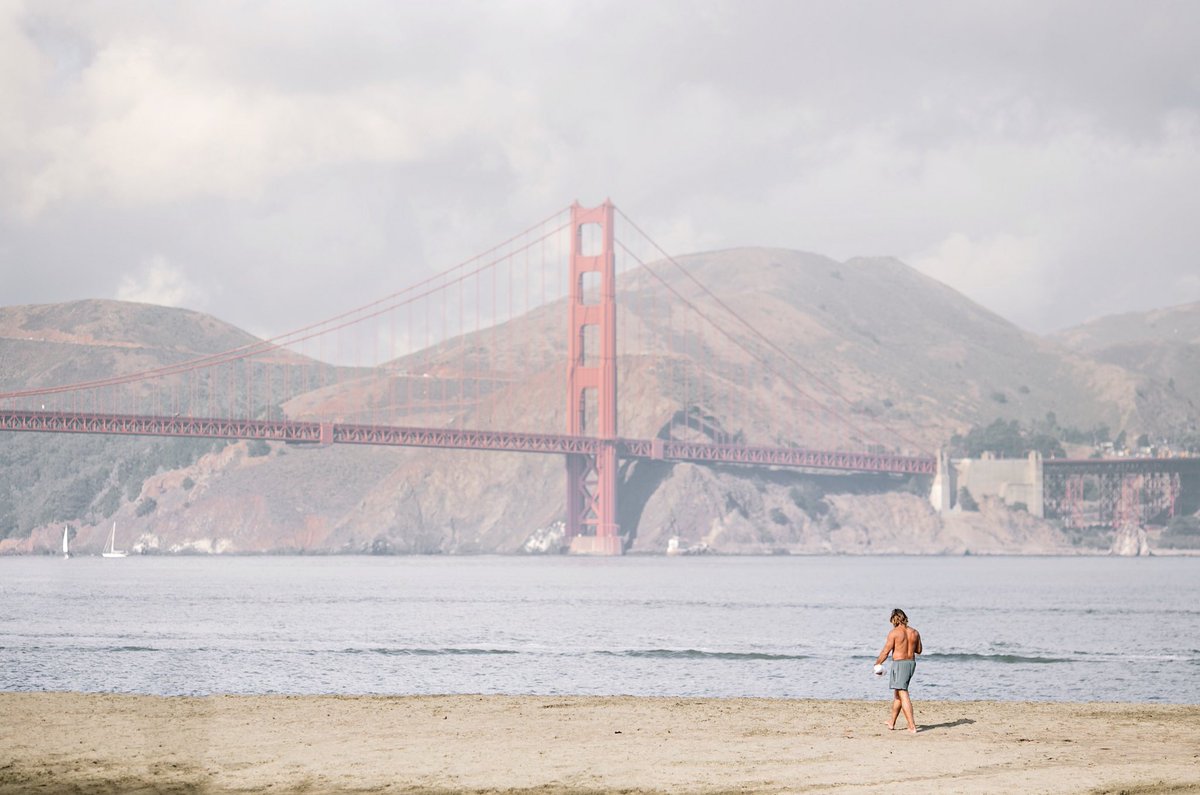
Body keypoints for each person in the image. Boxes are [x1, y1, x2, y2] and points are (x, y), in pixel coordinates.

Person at [874, 608, 922, 733]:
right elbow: (919, 650)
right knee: (898, 694)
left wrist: (877, 663)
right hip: (911, 664)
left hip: (900, 664)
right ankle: (892, 722)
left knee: (903, 693)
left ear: (894, 619)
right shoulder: (915, 632)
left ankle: (912, 726)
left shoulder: (894, 633)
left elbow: (886, 651)